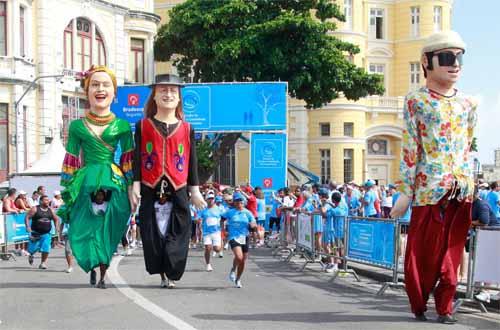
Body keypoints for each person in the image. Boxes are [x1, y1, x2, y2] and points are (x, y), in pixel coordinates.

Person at [391, 31, 477, 324]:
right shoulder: (416, 101)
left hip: (460, 188)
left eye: (459, 58)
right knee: (423, 253)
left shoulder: (468, 104)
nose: (455, 64)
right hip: (428, 189)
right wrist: (405, 191)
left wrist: (469, 182)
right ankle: (419, 301)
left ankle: (445, 307)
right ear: (427, 62)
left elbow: (467, 145)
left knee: (453, 252)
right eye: (447, 58)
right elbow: (410, 145)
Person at [59, 65, 134, 289]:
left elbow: (128, 159)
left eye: (105, 85)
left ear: (114, 92)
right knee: (84, 227)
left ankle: (102, 272)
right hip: (85, 181)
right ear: (86, 91)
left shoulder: (121, 125)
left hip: (113, 181)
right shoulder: (76, 126)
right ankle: (89, 265)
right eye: (95, 85)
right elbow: (71, 158)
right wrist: (66, 190)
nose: (100, 89)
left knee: (107, 231)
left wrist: (132, 188)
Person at [131, 74, 206, 289]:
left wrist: (195, 190)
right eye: (163, 90)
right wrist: (135, 184)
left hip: (179, 186)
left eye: (173, 90)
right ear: (154, 95)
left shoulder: (187, 128)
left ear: (179, 97)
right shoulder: (143, 126)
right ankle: (161, 272)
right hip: (149, 184)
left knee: (180, 230)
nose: (168, 94)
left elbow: (192, 160)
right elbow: (137, 157)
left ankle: (172, 270)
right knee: (152, 232)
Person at [223, 192, 257, 288]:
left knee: (242, 261)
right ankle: (233, 269)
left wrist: (253, 225)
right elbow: (221, 218)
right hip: (233, 236)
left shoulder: (247, 212)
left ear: (244, 202)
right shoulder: (230, 212)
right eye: (237, 201)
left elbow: (253, 222)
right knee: (239, 257)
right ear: (234, 202)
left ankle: (238, 279)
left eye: (241, 201)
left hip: (244, 237)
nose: (239, 203)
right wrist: (223, 231)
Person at [25, 195, 60, 269]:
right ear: (41, 201)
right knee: (32, 249)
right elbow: (27, 217)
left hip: (46, 233)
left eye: (48, 200)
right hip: (35, 233)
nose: (47, 201)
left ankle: (42, 263)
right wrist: (28, 227)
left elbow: (56, 219)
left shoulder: (51, 210)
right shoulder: (35, 209)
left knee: (46, 248)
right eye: (45, 200)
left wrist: (57, 227)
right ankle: (31, 255)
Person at [199, 191, 223, 272]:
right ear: (206, 199)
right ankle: (208, 264)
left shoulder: (219, 209)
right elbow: (197, 218)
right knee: (208, 248)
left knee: (217, 249)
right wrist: (197, 220)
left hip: (216, 232)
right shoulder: (203, 210)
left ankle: (221, 243)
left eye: (212, 198)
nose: (211, 200)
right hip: (207, 232)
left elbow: (224, 217)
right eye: (209, 198)